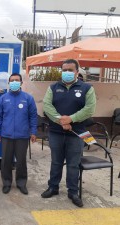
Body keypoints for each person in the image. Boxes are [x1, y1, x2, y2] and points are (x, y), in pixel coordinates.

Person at [41, 59, 96, 207]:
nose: (67, 73)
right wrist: (61, 121)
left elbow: (90, 109)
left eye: (70, 70)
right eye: (64, 70)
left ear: (77, 72)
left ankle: (73, 191)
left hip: (77, 134)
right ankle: (53, 187)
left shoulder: (86, 88)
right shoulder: (53, 87)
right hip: (56, 132)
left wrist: (71, 119)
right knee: (56, 162)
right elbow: (47, 106)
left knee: (73, 164)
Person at [0, 73, 37, 194]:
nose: (14, 82)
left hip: (23, 136)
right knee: (6, 161)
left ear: (21, 83)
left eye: (17, 80)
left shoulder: (28, 98)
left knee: (21, 162)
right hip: (6, 135)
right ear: (9, 83)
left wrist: (33, 132)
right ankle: (7, 183)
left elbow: (33, 116)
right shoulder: (2, 99)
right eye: (12, 80)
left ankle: (21, 183)